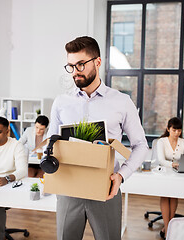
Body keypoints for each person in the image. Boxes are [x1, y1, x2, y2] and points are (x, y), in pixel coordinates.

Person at [47, 36, 148, 240]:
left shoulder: (121, 102)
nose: (75, 71)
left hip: (106, 189)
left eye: (81, 64)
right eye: (71, 66)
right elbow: (51, 143)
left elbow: (140, 145)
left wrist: (121, 176)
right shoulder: (61, 102)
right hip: (68, 190)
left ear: (98, 62)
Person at [156, 117, 184, 239]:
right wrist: (173, 164)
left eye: (179, 131)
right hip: (164, 173)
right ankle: (167, 229)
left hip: (178, 174)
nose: (177, 133)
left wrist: (181, 165)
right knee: (165, 195)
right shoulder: (162, 141)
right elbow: (161, 160)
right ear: (168, 129)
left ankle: (169, 227)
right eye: (174, 130)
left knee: (174, 195)